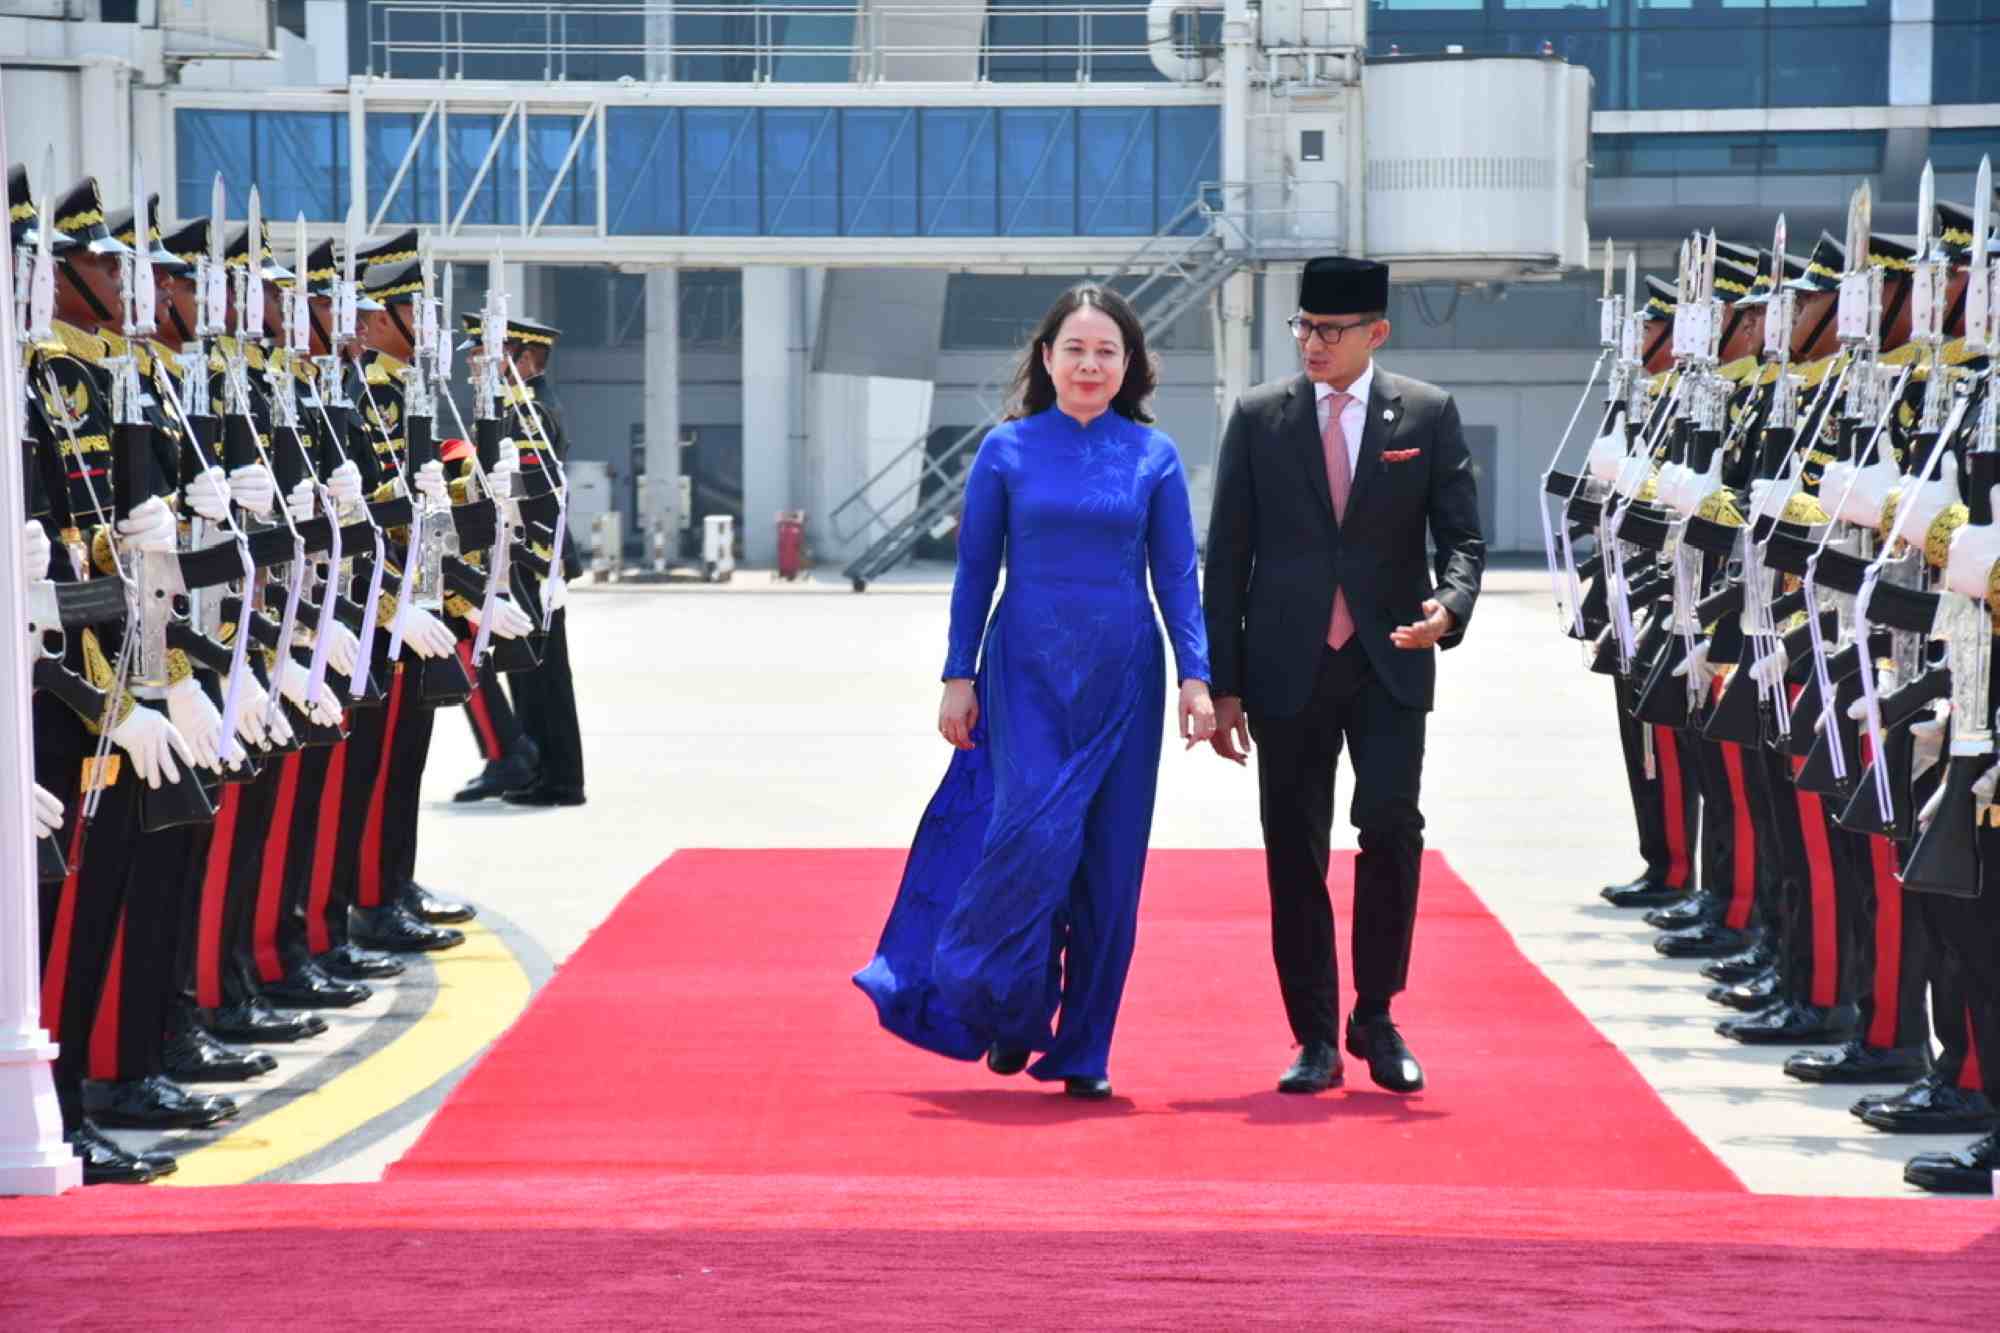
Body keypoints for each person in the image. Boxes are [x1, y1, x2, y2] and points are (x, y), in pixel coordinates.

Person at [853, 284, 1214, 1100]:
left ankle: (1085, 1049)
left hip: (1124, 679)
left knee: (1110, 871)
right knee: (1029, 845)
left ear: (1130, 366)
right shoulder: (1005, 451)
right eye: (1074, 349)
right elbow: (976, 571)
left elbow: (1178, 577)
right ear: (1046, 359)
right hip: (1024, 678)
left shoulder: (1151, 457)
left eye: (1106, 351)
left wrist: (1197, 675)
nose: (1089, 364)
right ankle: (1014, 1009)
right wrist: (957, 675)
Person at [1202, 256, 1484, 1096]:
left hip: (1389, 658)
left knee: (1392, 828)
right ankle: (1316, 1035)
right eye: (1303, 328)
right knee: (1295, 848)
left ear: (1376, 333)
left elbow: (1462, 539)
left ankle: (1378, 1013)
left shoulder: (1426, 415)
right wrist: (1224, 686)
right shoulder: (1260, 417)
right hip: (1286, 664)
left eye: (1330, 331)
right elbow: (1227, 559)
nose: (1312, 344)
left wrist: (1450, 607)